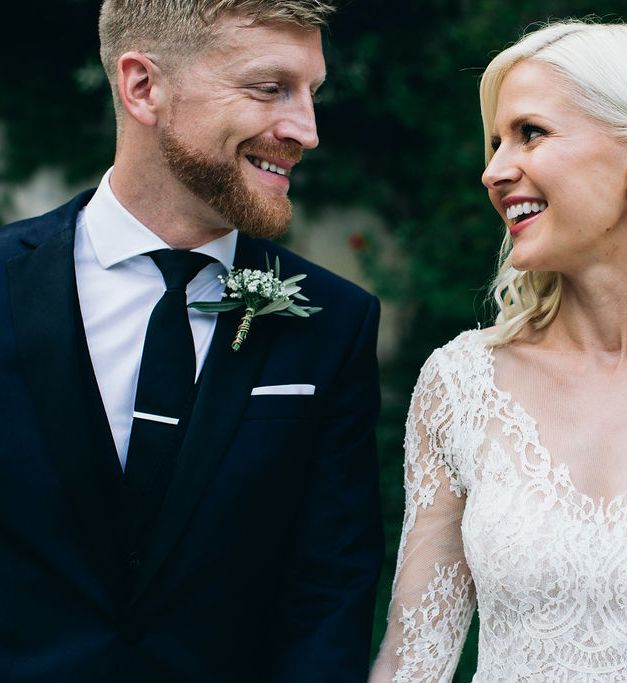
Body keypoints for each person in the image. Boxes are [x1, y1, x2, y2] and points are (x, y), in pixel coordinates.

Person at [0, 1, 383, 681]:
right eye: (271, 88)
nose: (306, 129)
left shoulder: (334, 323)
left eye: (311, 93)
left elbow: (328, 594)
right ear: (143, 86)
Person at [370, 19, 627, 681]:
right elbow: (413, 661)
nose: (493, 171)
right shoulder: (461, 382)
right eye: (493, 142)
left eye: (530, 133)